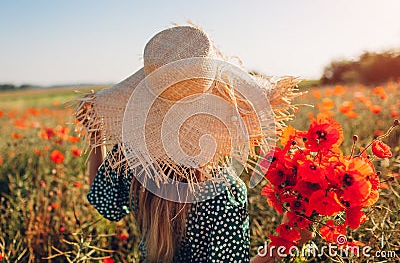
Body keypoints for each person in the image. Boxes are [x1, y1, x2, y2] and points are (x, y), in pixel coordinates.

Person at [76, 25, 311, 262]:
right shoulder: (222, 192)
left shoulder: (132, 156)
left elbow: (103, 201)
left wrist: (97, 135)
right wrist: (287, 242)